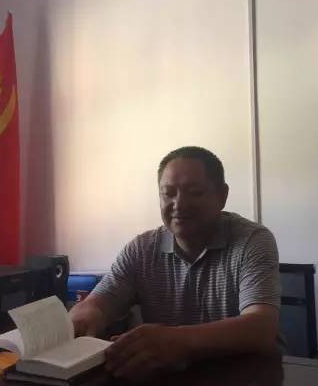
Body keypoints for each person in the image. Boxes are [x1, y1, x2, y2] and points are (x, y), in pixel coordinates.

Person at [69, 146, 280, 380]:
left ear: (222, 195)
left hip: (246, 376)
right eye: (168, 193)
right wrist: (84, 317)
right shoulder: (141, 249)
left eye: (195, 192)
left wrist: (179, 341)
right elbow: (100, 302)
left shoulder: (252, 241)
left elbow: (262, 327)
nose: (179, 204)